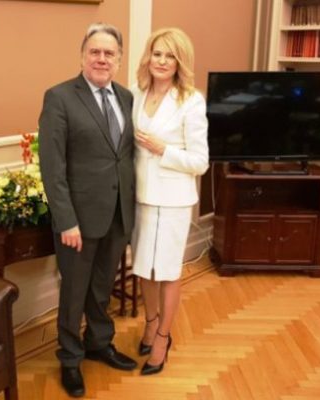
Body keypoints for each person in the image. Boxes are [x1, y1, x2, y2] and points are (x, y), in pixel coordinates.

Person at [38, 23, 137, 398]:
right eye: (95, 51)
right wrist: (66, 220)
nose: (101, 59)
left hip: (118, 214)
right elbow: (52, 167)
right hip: (78, 220)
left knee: (102, 287)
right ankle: (70, 358)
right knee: (74, 292)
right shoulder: (60, 97)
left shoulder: (127, 98)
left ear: (119, 60)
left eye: (109, 53)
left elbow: (125, 157)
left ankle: (99, 343)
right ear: (82, 56)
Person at [130, 27, 209, 375]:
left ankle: (163, 336)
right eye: (157, 53)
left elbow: (200, 161)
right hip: (140, 197)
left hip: (173, 201)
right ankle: (150, 322)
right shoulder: (136, 93)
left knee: (167, 271)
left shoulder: (191, 100)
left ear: (180, 62)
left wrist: (163, 150)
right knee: (144, 267)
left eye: (170, 56)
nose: (161, 61)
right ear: (149, 56)